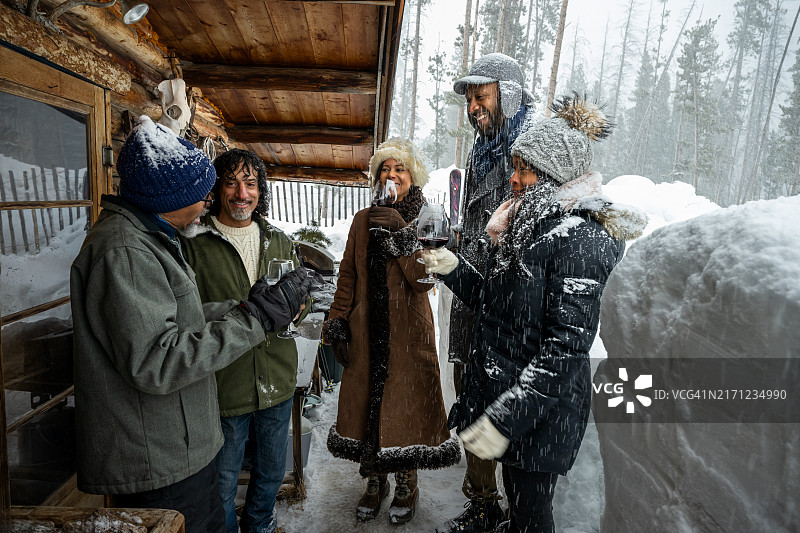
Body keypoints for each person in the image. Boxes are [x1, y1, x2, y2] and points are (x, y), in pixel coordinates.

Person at [70, 116, 314, 533]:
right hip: (161, 451)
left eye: (250, 184)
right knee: (217, 501)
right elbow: (158, 360)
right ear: (171, 195)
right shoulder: (127, 251)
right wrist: (253, 316)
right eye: (205, 191)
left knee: (265, 475)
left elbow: (180, 318)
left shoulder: (153, 239)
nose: (208, 200)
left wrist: (253, 306)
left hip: (198, 428)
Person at [423, 94, 647, 532]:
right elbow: (499, 302)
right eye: (515, 167)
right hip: (518, 402)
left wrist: (509, 416)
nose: (513, 179)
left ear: (553, 174)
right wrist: (453, 269)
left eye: (523, 169)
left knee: (530, 515)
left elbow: (565, 348)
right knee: (518, 505)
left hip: (543, 414)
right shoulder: (528, 225)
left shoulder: (580, 239)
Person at [321, 138, 460, 525]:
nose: (392, 175)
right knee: (369, 404)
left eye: (400, 169)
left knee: (407, 409)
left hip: (408, 334)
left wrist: (401, 234)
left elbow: (422, 279)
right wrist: (337, 322)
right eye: (385, 168)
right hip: (365, 332)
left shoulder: (426, 219)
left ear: (412, 177)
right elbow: (347, 274)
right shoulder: (363, 220)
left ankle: (406, 483)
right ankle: (374, 480)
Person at [178, 149, 308, 533]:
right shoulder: (193, 244)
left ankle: (260, 526)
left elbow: (303, 291)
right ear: (217, 188)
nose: (241, 193)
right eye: (232, 182)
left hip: (277, 378)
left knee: (270, 473)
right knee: (223, 479)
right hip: (225, 382)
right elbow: (185, 313)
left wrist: (301, 305)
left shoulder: (278, 240)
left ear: (260, 191)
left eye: (250, 184)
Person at [439, 52, 537, 533]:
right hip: (471, 294)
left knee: (505, 404)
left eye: (482, 96)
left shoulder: (529, 154)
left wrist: (471, 256)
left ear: (509, 93)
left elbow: (518, 229)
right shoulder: (482, 151)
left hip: (503, 302)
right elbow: (479, 222)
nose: (474, 108)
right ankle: (482, 503)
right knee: (472, 394)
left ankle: (519, 512)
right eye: (470, 100)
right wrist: (455, 243)